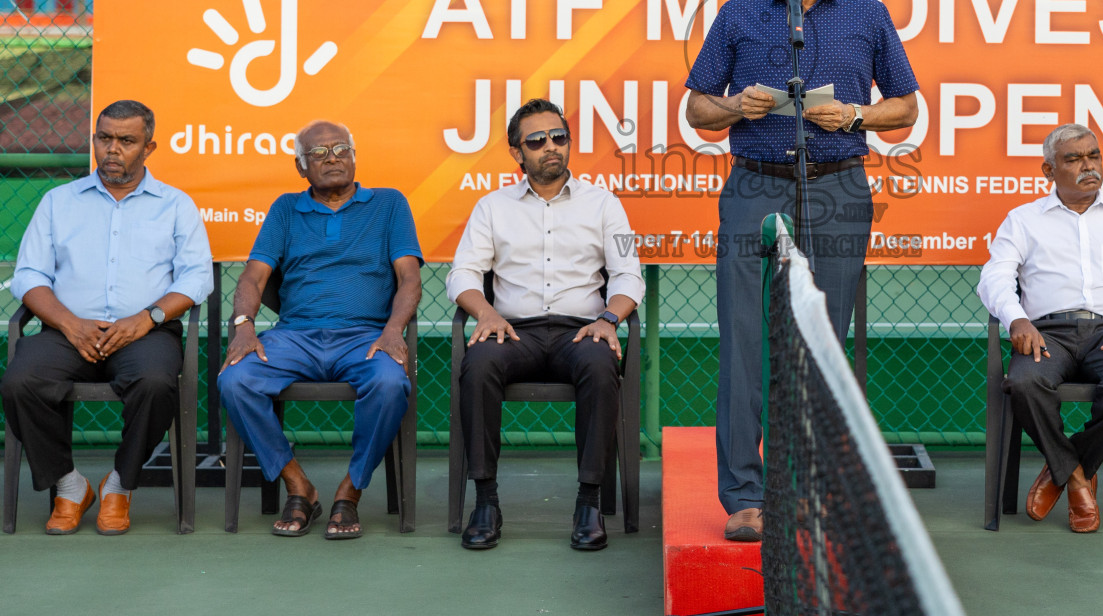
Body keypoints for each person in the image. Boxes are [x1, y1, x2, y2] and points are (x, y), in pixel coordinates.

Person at [684, 0, 919, 541]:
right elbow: (698, 110)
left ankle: (809, 484)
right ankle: (745, 496)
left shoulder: (867, 16)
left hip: (837, 188)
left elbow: (905, 108)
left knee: (822, 342)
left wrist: (854, 117)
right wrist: (733, 105)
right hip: (755, 189)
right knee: (743, 340)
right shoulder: (737, 16)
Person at [1, 99, 212, 535]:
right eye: (104, 138)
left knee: (155, 383)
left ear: (149, 147)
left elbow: (196, 278)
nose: (112, 149)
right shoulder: (59, 202)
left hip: (144, 331)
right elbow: (29, 275)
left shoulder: (175, 205)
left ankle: (119, 483)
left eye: (126, 141)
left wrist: (148, 316)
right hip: (67, 329)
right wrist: (68, 322)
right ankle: (70, 485)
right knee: (21, 381)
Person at [447, 98, 643, 552]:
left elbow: (629, 273)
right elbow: (462, 274)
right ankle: (486, 501)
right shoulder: (493, 206)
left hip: (583, 330)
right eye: (536, 140)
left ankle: (588, 503)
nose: (550, 147)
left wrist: (610, 318)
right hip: (515, 331)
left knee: (600, 367)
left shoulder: (604, 203)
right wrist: (486, 313)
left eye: (559, 137)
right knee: (478, 366)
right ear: (518, 153)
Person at [218, 120, 421, 539]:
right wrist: (243, 327)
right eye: (319, 153)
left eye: (341, 149)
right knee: (236, 379)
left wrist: (393, 330)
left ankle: (350, 492)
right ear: (300, 167)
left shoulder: (388, 204)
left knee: (389, 383)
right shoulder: (286, 209)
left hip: (365, 336)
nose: (333, 158)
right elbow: (254, 278)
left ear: (353, 156)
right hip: (296, 336)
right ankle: (299, 486)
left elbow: (409, 279)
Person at [976, 123, 1103, 533]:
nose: (1088, 166)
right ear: (1048, 171)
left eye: (1094, 156)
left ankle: (1065, 469)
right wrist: (1017, 319)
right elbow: (994, 277)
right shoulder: (1023, 220)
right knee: (1026, 382)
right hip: (1048, 333)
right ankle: (1080, 479)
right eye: (1074, 159)